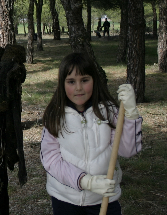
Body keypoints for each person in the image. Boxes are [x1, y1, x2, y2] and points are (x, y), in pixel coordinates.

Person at [40, 53, 142, 215]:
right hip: (66, 199)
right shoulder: (55, 116)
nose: (78, 87)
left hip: (103, 199)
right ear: (62, 84)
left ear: (94, 80)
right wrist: (85, 181)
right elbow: (50, 159)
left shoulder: (109, 112)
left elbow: (127, 150)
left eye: (84, 80)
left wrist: (131, 115)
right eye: (71, 82)